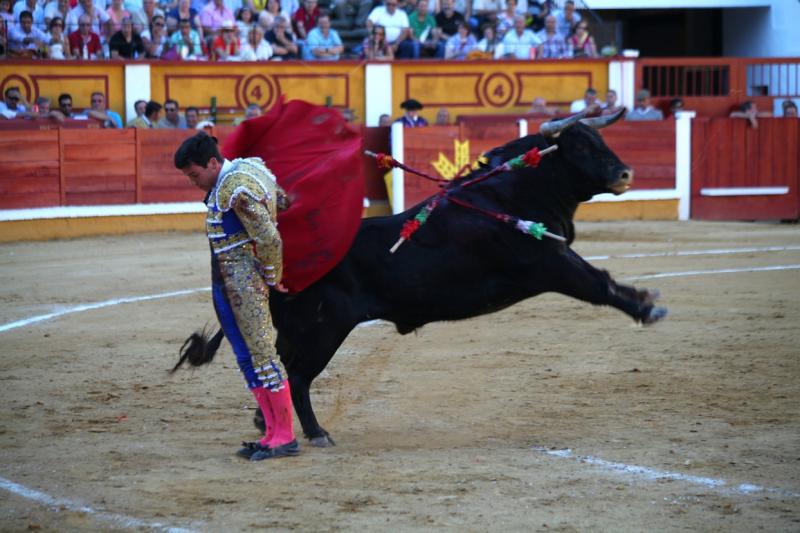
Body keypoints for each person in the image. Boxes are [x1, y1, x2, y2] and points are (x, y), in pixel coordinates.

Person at [173, 132, 300, 461]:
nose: (192, 182)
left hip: (244, 284)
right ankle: (272, 433)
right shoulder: (245, 173)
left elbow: (270, 238)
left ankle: (285, 436)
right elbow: (281, 200)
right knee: (247, 358)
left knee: (262, 356)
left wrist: (272, 276)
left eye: (194, 175)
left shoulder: (236, 188)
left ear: (213, 163)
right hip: (229, 284)